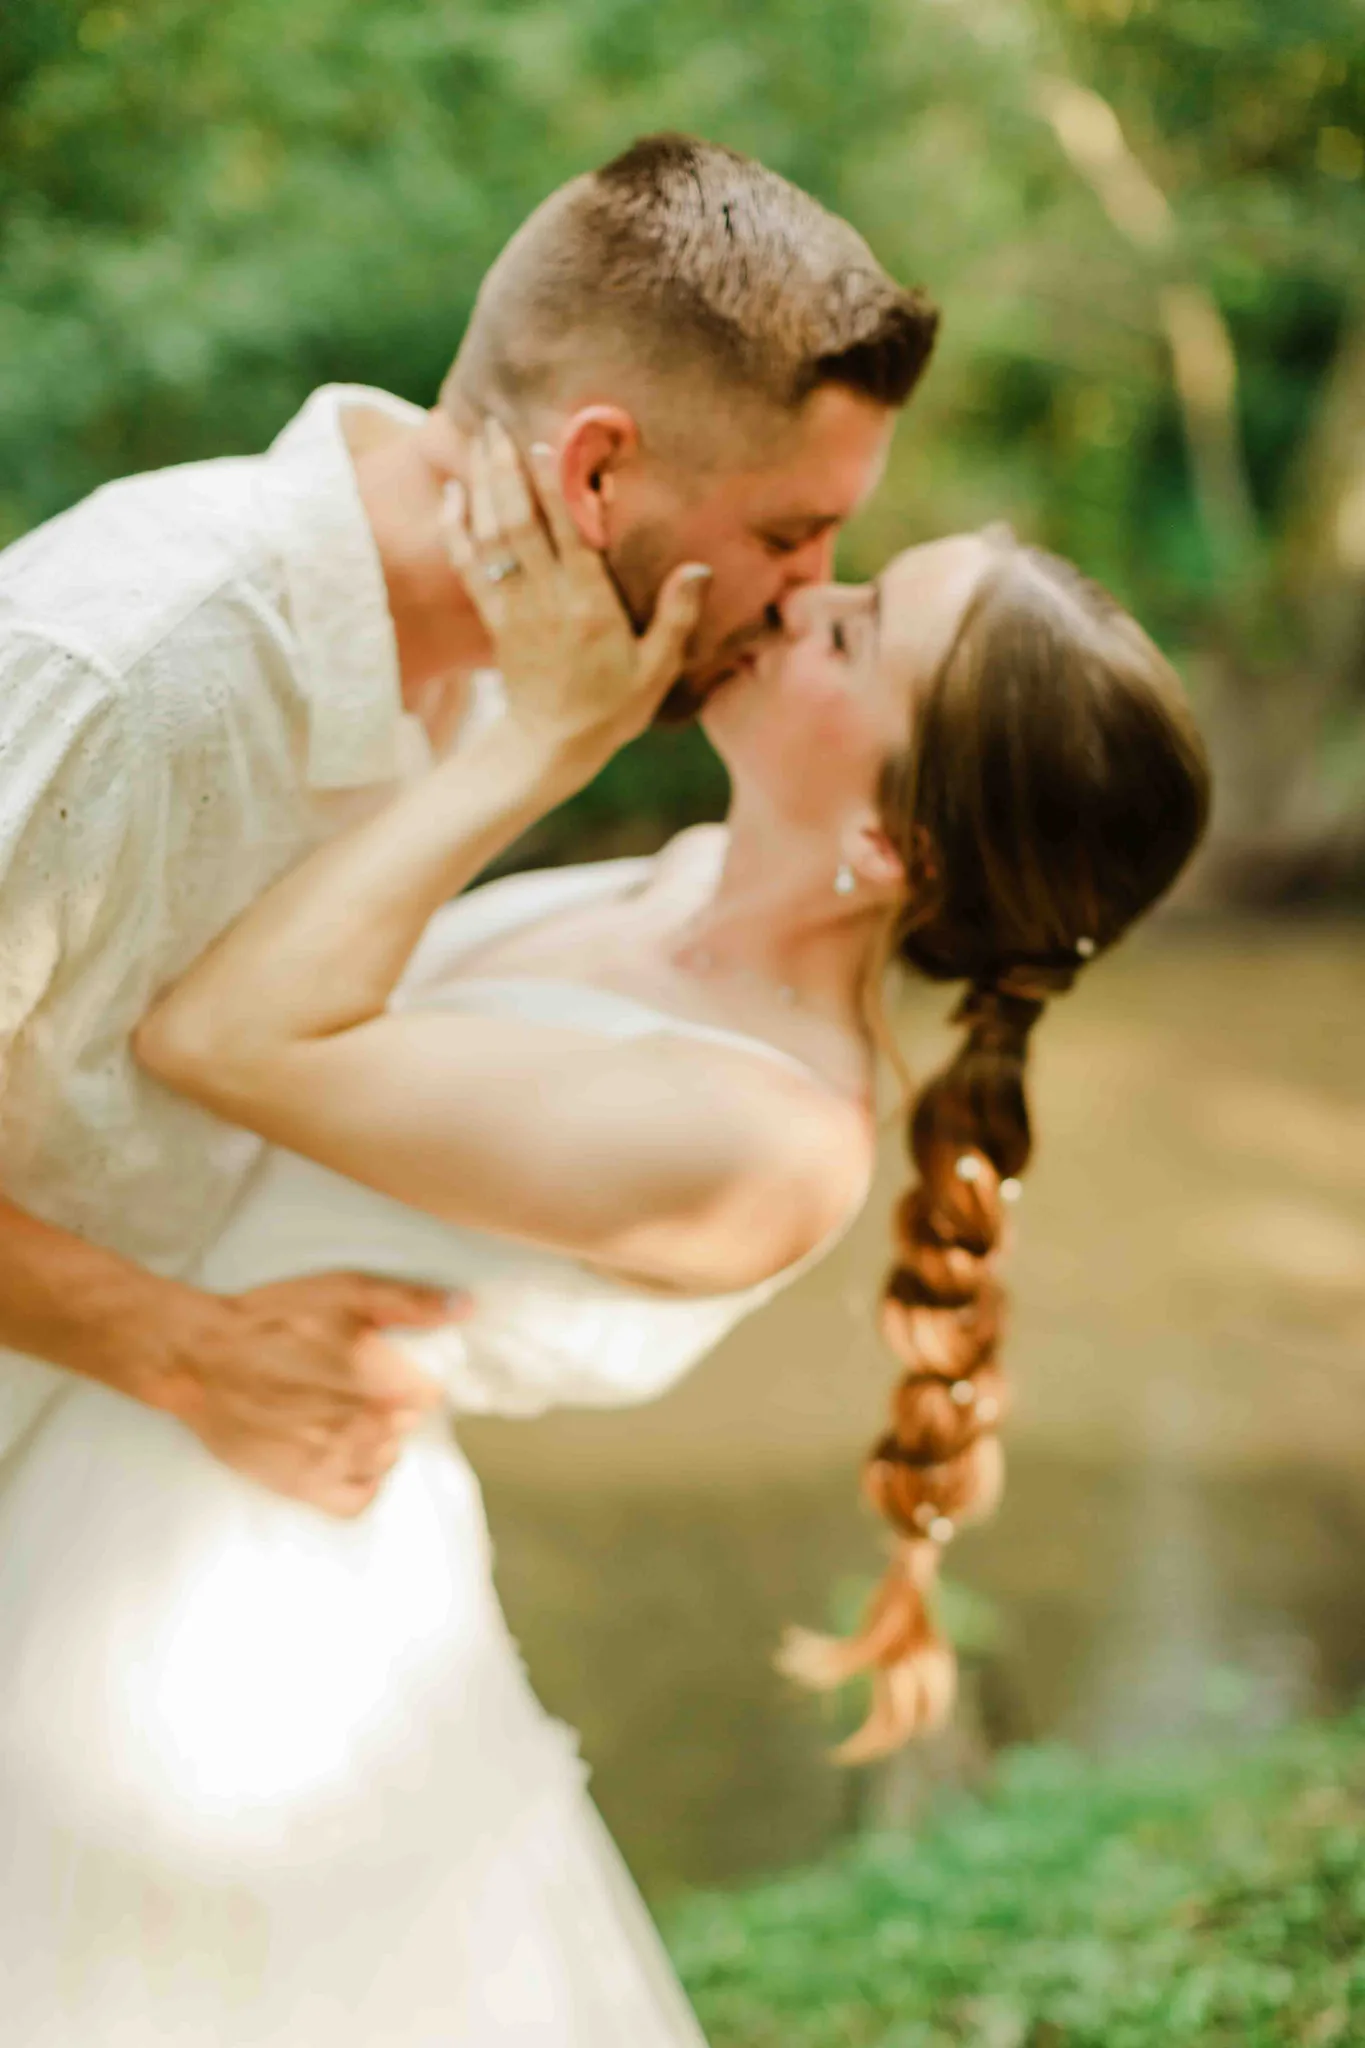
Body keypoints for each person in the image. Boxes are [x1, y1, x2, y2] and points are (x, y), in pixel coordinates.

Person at [0, 425, 1210, 2041]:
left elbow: (219, 1040)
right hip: (133, 1432)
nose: (799, 604)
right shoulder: (689, 879)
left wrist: (543, 749)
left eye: (856, 632)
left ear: (896, 848)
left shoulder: (764, 1141)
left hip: (223, 1619)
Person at [0, 133, 934, 1512]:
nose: (805, 597)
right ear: (597, 474)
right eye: (791, 535)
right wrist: (189, 1355)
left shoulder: (528, 671)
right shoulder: (122, 675)